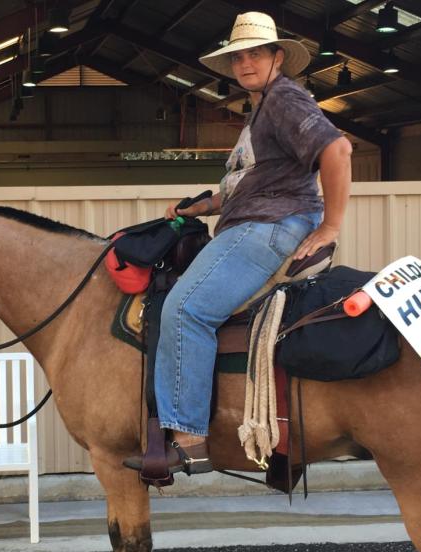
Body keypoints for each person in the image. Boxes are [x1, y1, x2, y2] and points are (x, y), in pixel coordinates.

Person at [127, 11, 353, 474]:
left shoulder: (285, 100)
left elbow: (338, 149)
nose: (246, 63)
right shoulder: (263, 107)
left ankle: (188, 439)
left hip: (269, 225)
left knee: (186, 309)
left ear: (277, 57)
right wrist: (203, 206)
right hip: (255, 217)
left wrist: (330, 227)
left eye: (256, 53)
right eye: (239, 56)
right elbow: (253, 181)